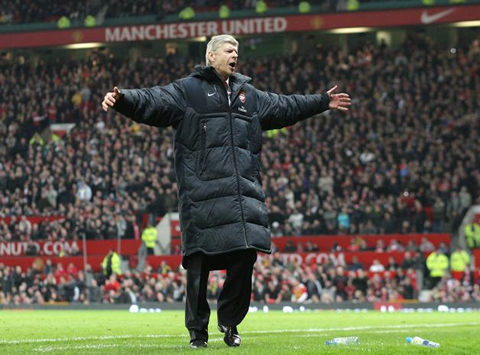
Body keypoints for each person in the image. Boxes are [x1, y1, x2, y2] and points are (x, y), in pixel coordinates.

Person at [102, 34, 350, 348]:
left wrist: (321, 102)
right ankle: (198, 332)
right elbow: (154, 100)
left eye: (237, 51)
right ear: (211, 55)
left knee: (245, 257)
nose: (235, 55)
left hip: (241, 195)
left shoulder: (249, 94)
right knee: (198, 265)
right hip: (201, 193)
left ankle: (230, 322)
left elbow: (285, 105)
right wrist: (123, 99)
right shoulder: (188, 90)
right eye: (229, 50)